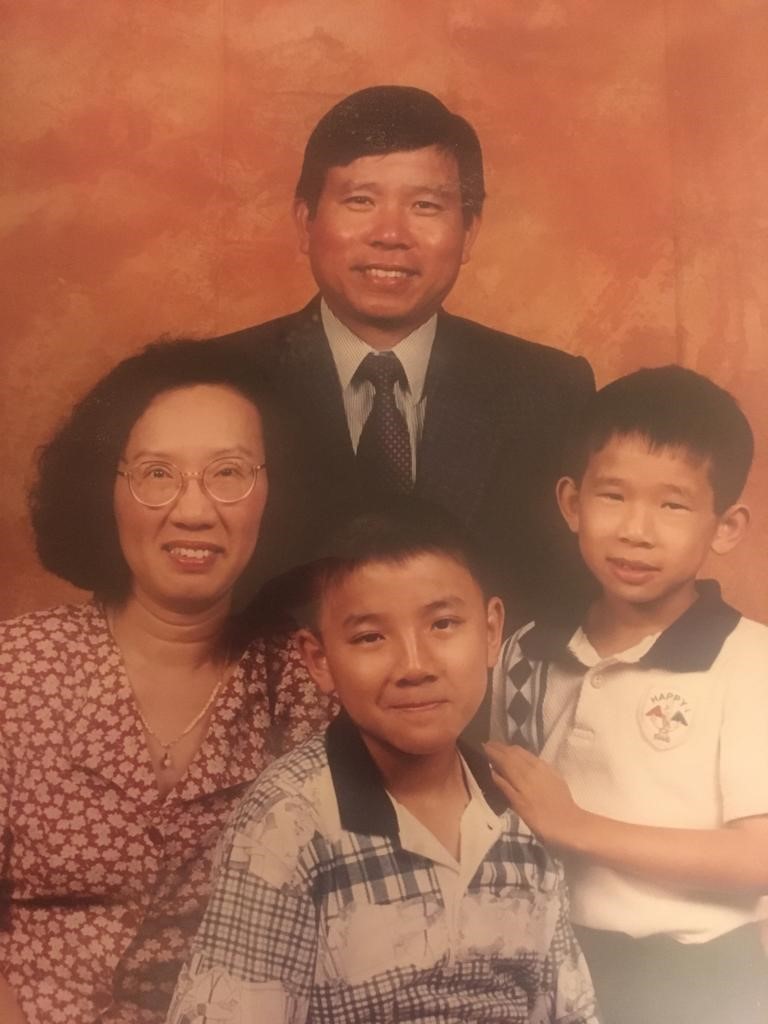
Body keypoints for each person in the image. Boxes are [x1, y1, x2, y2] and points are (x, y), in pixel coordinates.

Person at [0, 340, 333, 1024]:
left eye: (229, 474)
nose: (192, 511)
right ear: (105, 488)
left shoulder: (311, 688)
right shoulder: (15, 669)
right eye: (157, 473)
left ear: (278, 494)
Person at [167, 506, 599, 1024]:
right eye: (371, 637)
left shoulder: (521, 805)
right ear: (320, 660)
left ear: (490, 633)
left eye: (443, 624)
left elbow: (568, 1008)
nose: (414, 666)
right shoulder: (291, 819)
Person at [218, 84, 594, 626]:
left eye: (425, 206)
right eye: (360, 201)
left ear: (469, 232)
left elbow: (577, 600)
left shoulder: (550, 391)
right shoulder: (221, 382)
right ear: (305, 222)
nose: (391, 234)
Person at [486, 366, 768, 1024]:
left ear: (725, 527)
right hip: (544, 960)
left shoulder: (749, 660)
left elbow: (759, 857)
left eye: (672, 505)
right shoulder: (526, 650)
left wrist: (579, 828)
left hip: (694, 977)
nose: (636, 530)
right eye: (613, 496)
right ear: (571, 504)